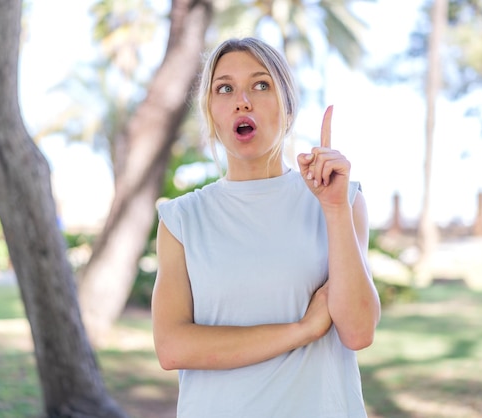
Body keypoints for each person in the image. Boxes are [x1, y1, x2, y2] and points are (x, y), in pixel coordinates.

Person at [151, 37, 381, 418]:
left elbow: (358, 332)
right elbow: (173, 347)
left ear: (288, 107)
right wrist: (303, 330)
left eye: (261, 85)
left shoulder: (342, 199)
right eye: (225, 88)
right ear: (211, 111)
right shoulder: (181, 219)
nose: (243, 100)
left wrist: (335, 208)